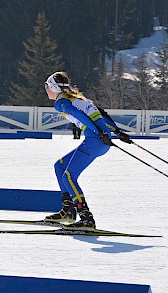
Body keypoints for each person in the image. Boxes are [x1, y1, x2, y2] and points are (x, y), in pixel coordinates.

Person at [43, 71, 131, 229]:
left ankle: (86, 218)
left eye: (47, 86)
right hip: (100, 140)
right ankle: (69, 211)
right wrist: (117, 132)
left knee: (68, 176)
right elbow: (100, 114)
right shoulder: (78, 98)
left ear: (54, 88)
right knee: (60, 167)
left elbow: (78, 114)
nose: (46, 90)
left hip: (95, 139)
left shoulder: (61, 102)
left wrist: (100, 132)